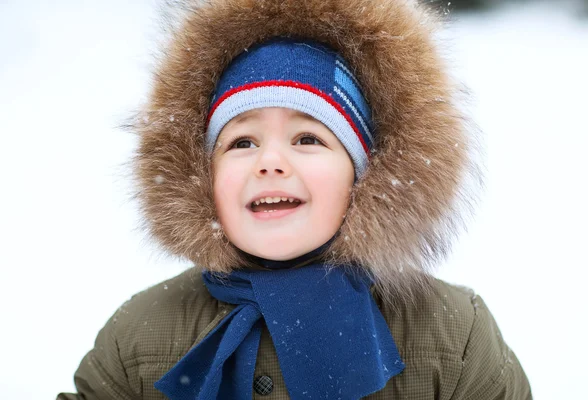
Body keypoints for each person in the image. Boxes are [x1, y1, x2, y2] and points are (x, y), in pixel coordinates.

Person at [58, 0, 531, 399]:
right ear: (200, 179)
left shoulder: (452, 335)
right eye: (242, 143)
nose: (270, 162)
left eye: (308, 138)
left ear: (366, 178)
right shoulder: (141, 332)